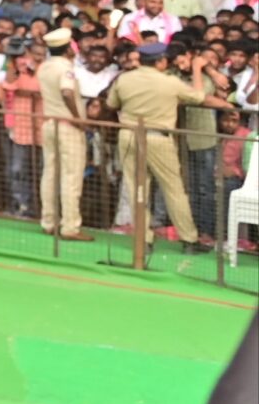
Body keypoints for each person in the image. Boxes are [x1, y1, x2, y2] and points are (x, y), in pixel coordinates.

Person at [104, 43, 231, 250]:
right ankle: (189, 239)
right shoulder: (170, 82)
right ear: (161, 61)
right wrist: (198, 70)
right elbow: (198, 96)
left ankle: (143, 240)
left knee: (136, 188)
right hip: (158, 137)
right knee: (174, 189)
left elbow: (111, 104)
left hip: (128, 134)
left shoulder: (124, 78)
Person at [33, 29, 90, 241]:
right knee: (71, 176)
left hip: (49, 122)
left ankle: (48, 221)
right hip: (67, 125)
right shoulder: (66, 68)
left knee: (50, 173)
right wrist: (77, 118)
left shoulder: (44, 67)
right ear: (68, 48)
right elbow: (67, 92)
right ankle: (70, 226)